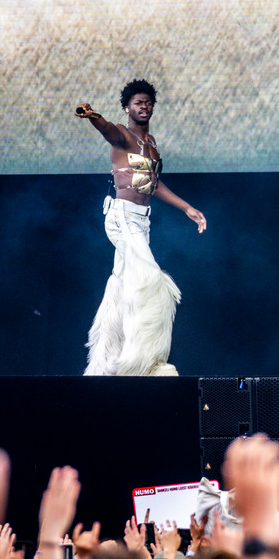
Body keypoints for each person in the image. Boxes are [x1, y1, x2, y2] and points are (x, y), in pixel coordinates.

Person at [76, 79, 206, 376]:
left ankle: (104, 365)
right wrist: (92, 115)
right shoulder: (122, 135)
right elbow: (107, 129)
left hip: (141, 220)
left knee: (120, 286)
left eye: (148, 102)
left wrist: (187, 208)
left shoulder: (152, 147)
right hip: (121, 217)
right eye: (138, 103)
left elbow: (153, 185)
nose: (144, 106)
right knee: (152, 284)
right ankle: (146, 363)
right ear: (127, 108)